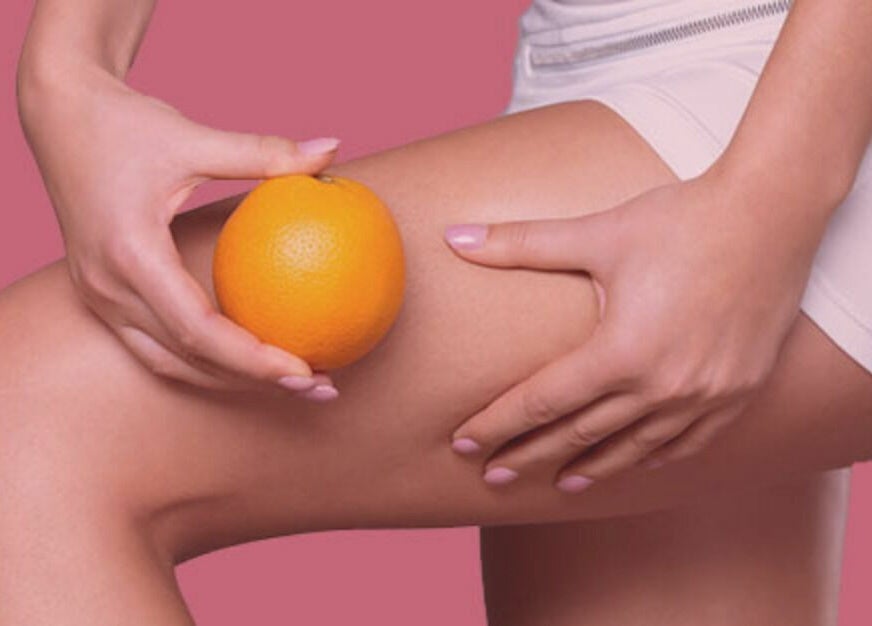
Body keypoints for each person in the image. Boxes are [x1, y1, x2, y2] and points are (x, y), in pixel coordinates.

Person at [4, 0, 871, 623]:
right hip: (612, 58)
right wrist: (66, 67)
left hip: (806, 76)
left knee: (31, 425)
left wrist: (772, 193)